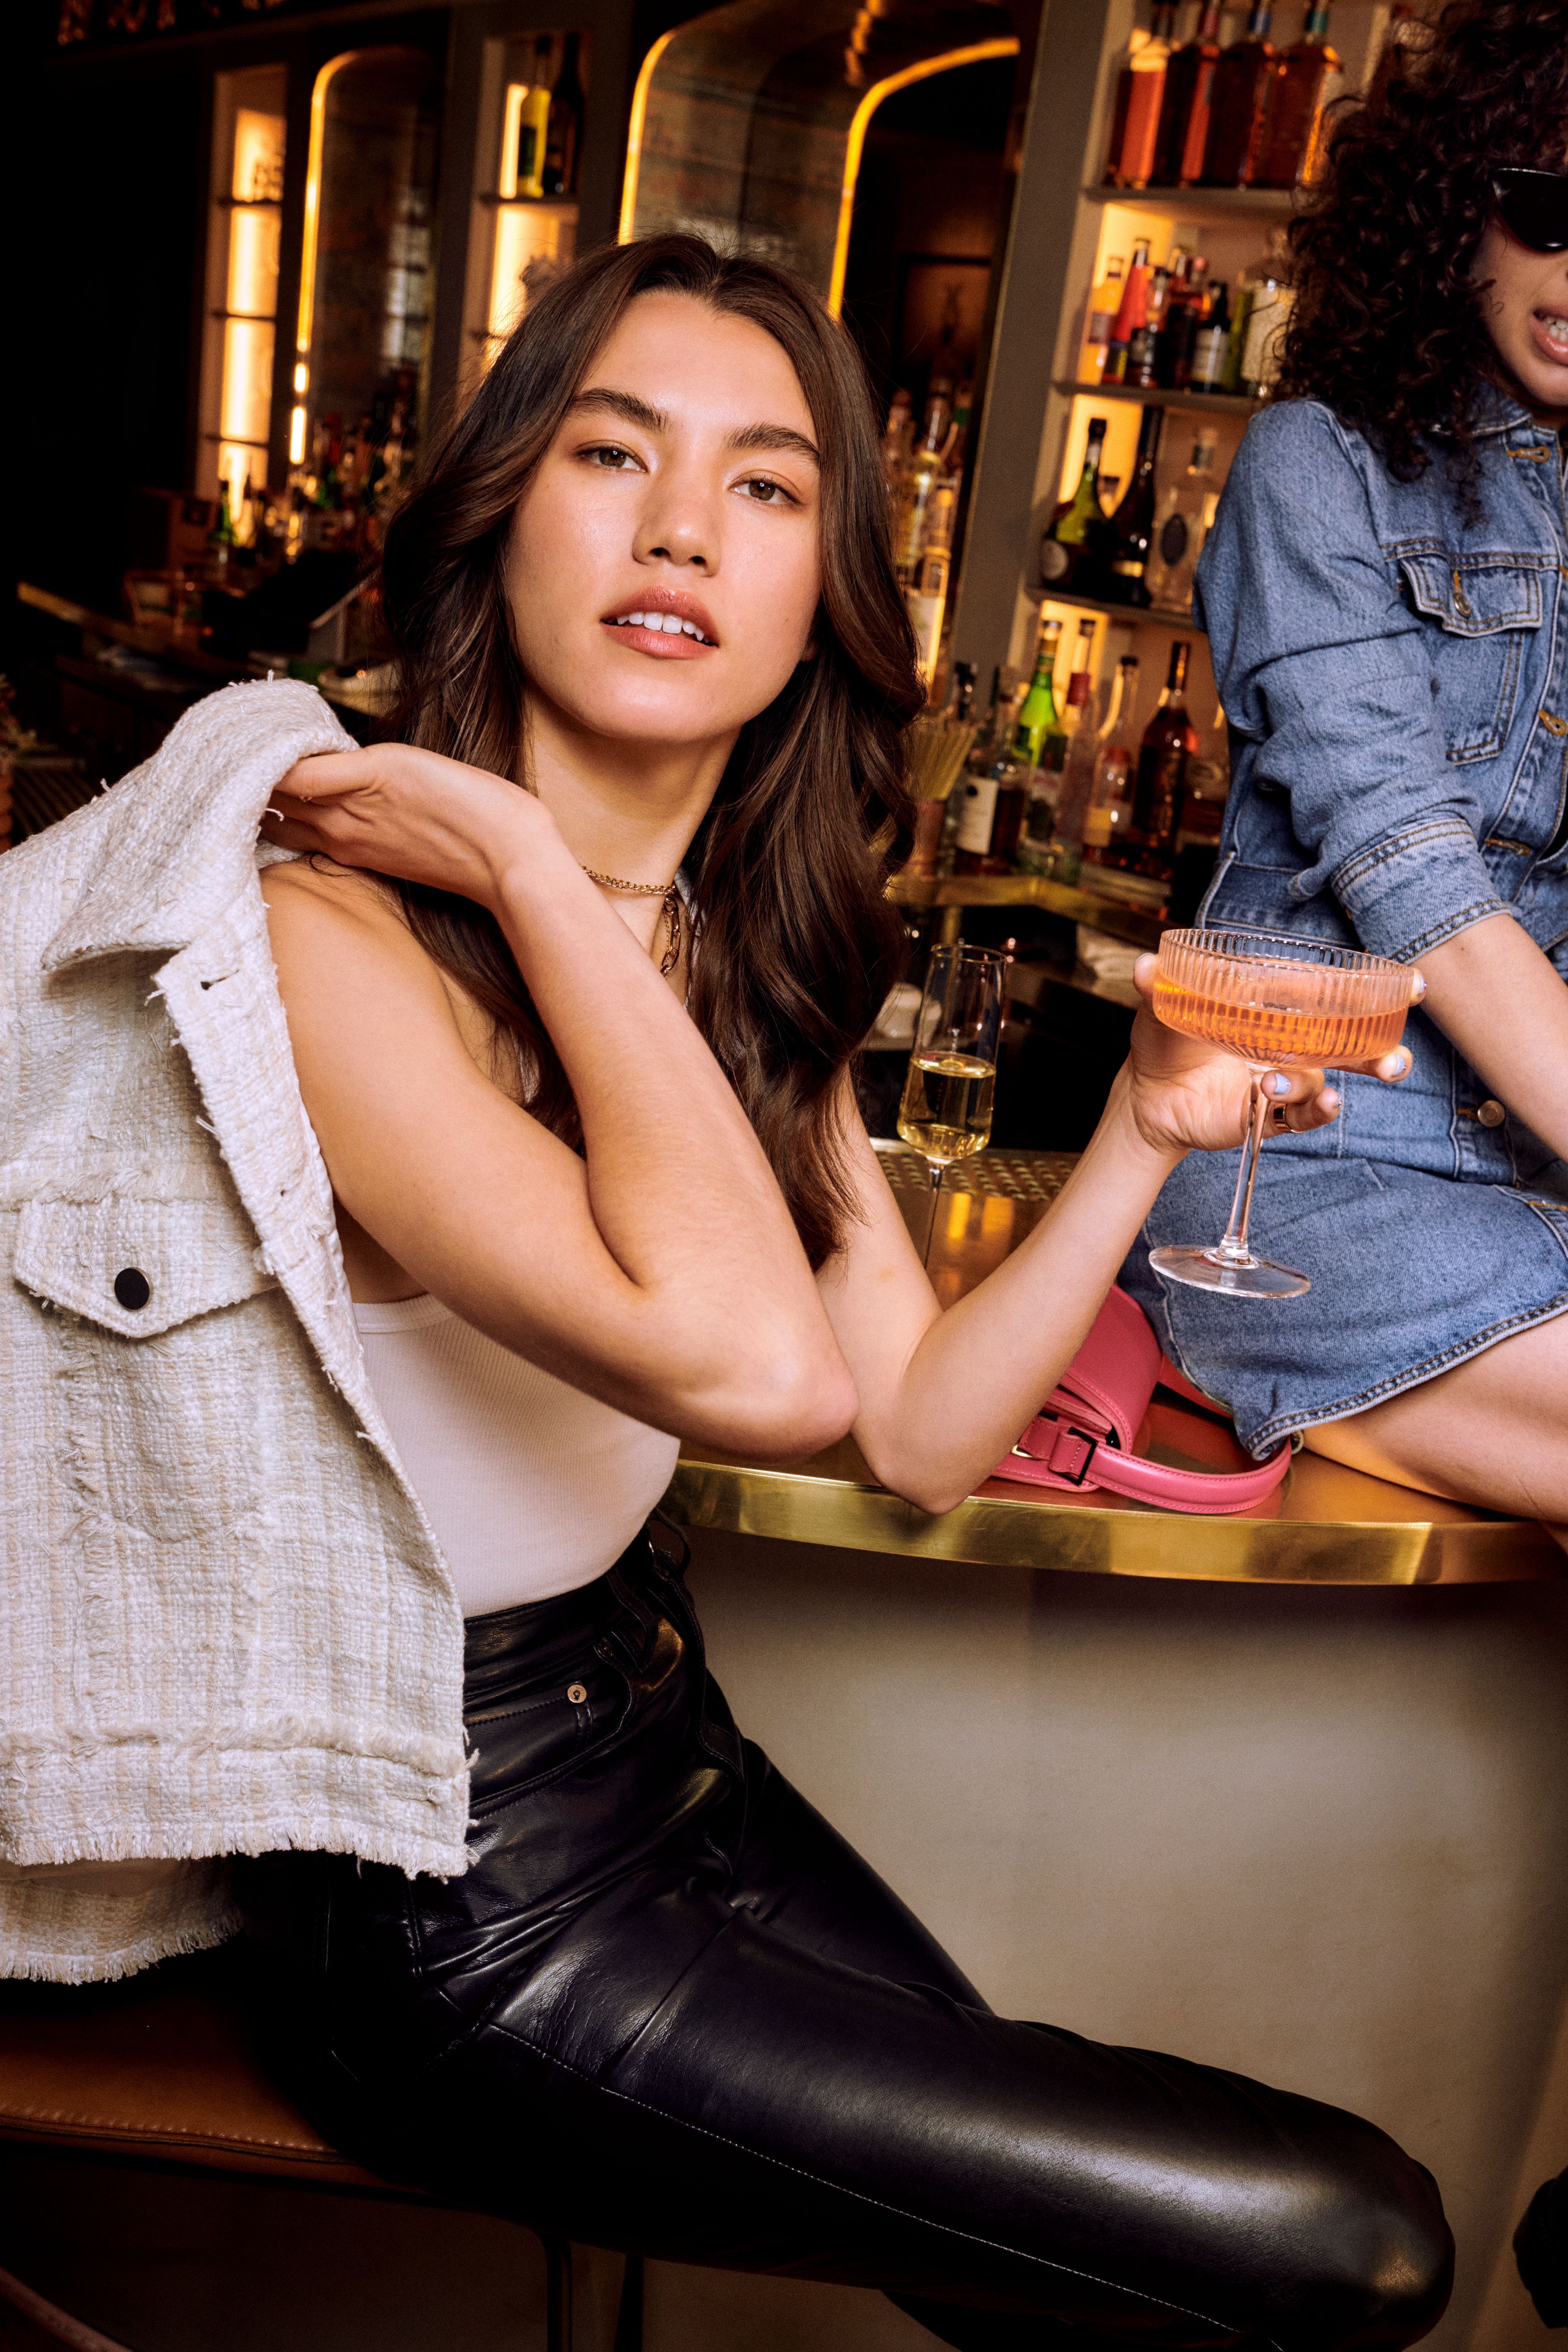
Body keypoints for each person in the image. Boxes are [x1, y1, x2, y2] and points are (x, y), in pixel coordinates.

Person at [1, 236, 1444, 2348]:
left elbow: (917, 1435)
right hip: (445, 1895)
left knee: (1085, 2297)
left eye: (769, 487)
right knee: (1356, 2232)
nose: (685, 526)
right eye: (615, 453)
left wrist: (1141, 1125)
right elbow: (751, 1366)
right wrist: (511, 857)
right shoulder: (322, 945)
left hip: (662, 1747)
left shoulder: (736, 970)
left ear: (822, 597)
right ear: (499, 515)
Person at [1121, 0, 1568, 1541]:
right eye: (1551, 212)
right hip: (1306, 1168)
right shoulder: (1325, 463)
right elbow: (1412, 874)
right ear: (1461, 214)